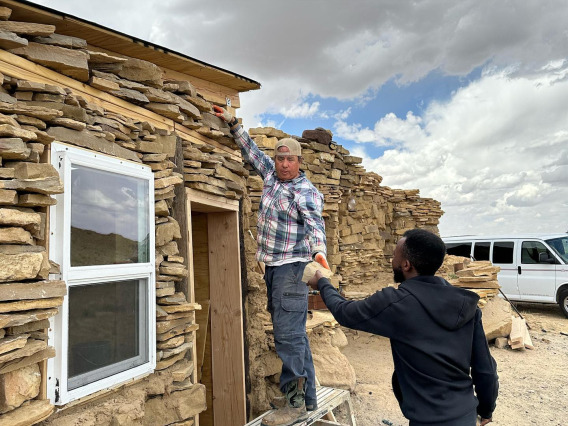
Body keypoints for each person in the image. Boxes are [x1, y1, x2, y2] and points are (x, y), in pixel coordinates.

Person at [308, 229, 498, 426]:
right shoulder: (465, 305)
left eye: (394, 256)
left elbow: (343, 311)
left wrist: (322, 282)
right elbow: (485, 369)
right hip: (464, 416)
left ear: (406, 265)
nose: (392, 261)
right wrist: (486, 409)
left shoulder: (395, 303)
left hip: (427, 421)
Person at [214, 106, 328, 426]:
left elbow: (316, 227)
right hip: (274, 267)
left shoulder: (305, 192)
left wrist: (319, 255)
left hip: (292, 268)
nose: (284, 164)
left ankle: (293, 405)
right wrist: (233, 123)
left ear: (299, 161)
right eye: (280, 159)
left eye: (290, 159)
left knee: (287, 337)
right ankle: (307, 399)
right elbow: (251, 151)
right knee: (297, 337)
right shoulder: (271, 176)